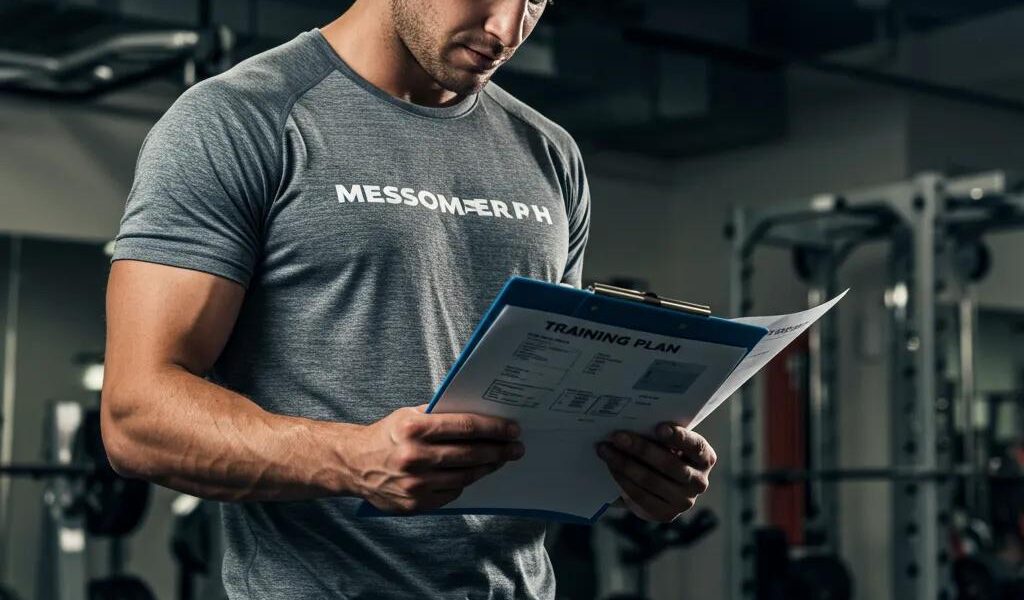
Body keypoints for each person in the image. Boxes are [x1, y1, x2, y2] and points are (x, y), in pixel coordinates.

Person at [102, 1, 717, 597]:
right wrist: (350, 459)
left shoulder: (551, 153)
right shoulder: (239, 118)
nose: (508, 28)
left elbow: (547, 409)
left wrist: (638, 470)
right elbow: (136, 418)